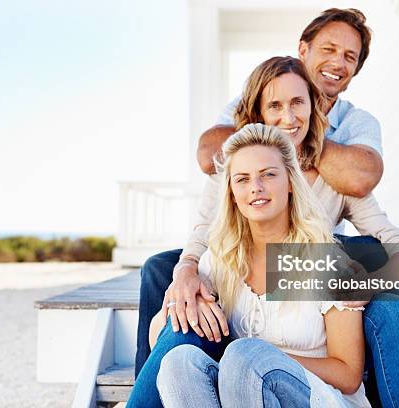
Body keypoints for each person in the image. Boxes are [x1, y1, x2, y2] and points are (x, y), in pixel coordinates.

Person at [129, 56, 399, 408]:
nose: (288, 117)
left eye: (297, 103)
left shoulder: (335, 204)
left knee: (380, 298)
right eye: (274, 105)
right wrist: (185, 281)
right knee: (173, 330)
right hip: (246, 265)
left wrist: (370, 281)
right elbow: (200, 235)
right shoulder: (223, 240)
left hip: (309, 318)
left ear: (291, 181)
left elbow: (392, 243)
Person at [155, 123, 371, 407]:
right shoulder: (222, 258)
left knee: (245, 357)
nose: (255, 188)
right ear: (231, 192)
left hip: (320, 399)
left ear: (291, 182)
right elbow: (158, 337)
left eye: (268, 175)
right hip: (244, 394)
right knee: (178, 362)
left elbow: (348, 375)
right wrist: (184, 303)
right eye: (242, 179)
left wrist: (262, 359)